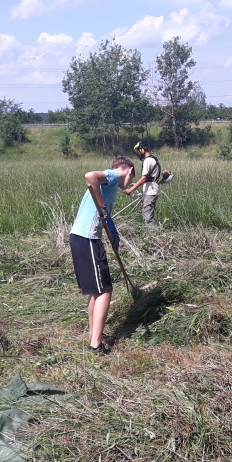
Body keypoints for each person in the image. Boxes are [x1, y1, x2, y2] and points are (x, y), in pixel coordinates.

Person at [69, 156, 135, 354]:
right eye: (132, 179)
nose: (130, 184)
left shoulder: (109, 185)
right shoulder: (114, 175)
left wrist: (113, 235)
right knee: (105, 290)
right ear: (129, 170)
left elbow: (105, 217)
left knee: (96, 292)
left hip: (80, 237)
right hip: (87, 239)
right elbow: (90, 176)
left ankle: (94, 335)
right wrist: (103, 207)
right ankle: (95, 345)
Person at [125, 141, 160, 225]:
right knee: (146, 214)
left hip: (150, 191)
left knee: (148, 217)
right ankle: (153, 235)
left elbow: (144, 178)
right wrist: (136, 184)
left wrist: (131, 190)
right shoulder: (152, 159)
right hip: (151, 189)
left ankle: (155, 235)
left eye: (137, 151)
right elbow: (148, 178)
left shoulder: (147, 160)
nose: (137, 154)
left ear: (142, 151)